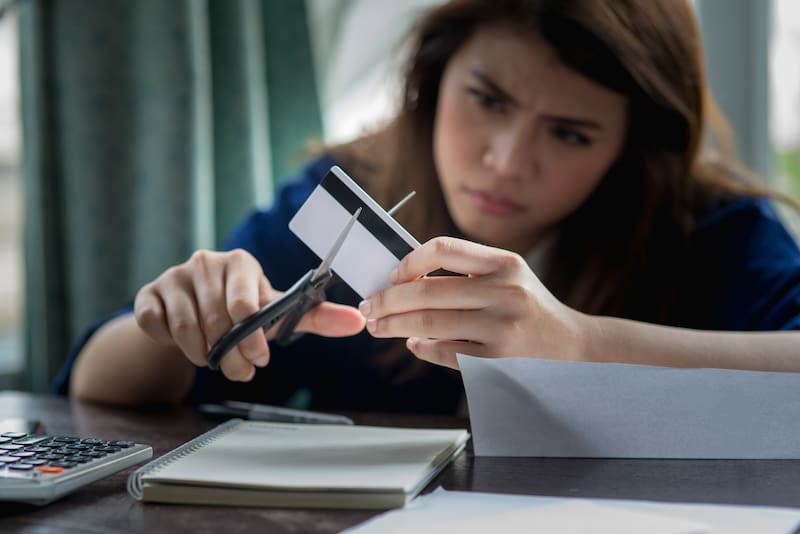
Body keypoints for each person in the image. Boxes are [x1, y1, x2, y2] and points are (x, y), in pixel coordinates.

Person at [61, 0, 800, 411]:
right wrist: (169, 327)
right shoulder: (348, 201)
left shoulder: (711, 233)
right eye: (486, 99)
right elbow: (96, 386)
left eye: (570, 133)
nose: (506, 161)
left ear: (630, 149)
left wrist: (580, 346)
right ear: (432, 80)